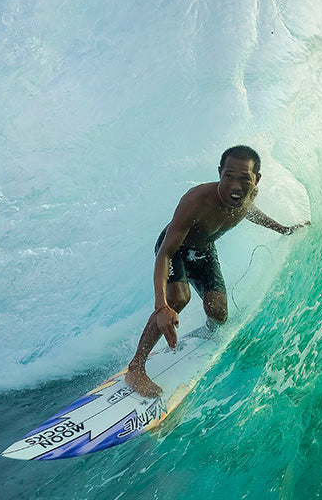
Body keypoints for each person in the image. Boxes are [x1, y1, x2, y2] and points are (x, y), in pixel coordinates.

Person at [124, 145, 310, 397]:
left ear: (257, 180)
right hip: (175, 249)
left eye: (244, 178)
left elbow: (249, 212)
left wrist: (282, 229)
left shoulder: (248, 195)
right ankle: (136, 366)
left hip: (204, 249)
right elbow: (164, 253)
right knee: (179, 298)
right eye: (228, 176)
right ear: (219, 172)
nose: (235, 185)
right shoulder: (196, 201)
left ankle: (206, 336)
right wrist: (161, 306)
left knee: (218, 312)